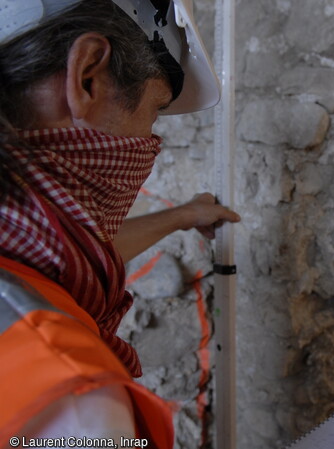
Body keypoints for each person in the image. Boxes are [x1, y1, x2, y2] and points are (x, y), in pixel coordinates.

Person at [0, 0, 239, 446]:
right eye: (153, 110)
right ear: (87, 76)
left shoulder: (20, 239)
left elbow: (64, 258)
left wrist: (182, 216)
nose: (151, 145)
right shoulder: (68, 396)